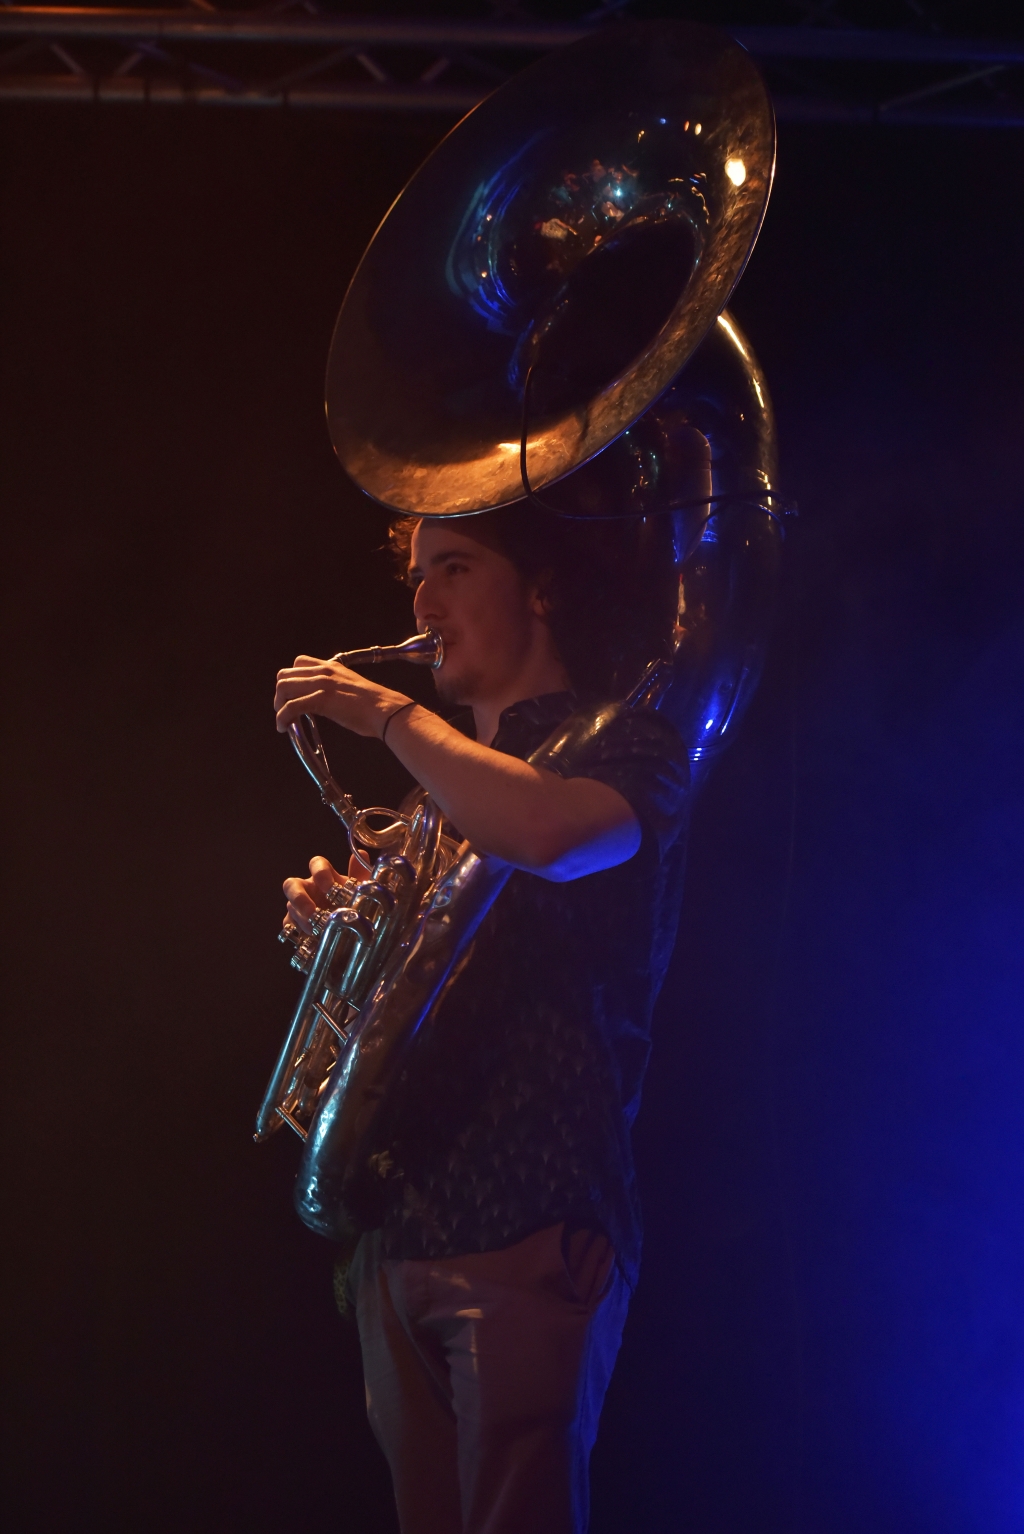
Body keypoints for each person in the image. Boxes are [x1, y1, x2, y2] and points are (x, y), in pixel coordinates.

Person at [273, 507, 692, 1534]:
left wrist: (388, 718)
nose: (422, 602)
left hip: (526, 1212)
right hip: (398, 1234)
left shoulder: (623, 741)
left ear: (539, 587)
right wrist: (340, 931)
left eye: (453, 567)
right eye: (416, 576)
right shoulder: (436, 807)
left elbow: (548, 831)